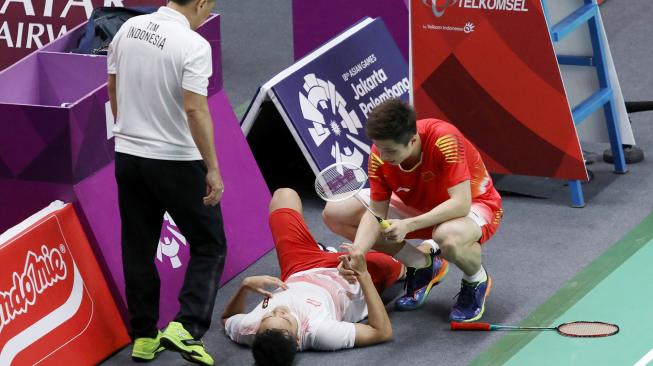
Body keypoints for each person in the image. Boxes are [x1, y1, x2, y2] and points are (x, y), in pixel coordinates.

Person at [107, 0, 225, 364]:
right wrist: (213, 168)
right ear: (201, 3)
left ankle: (143, 337)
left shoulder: (128, 28)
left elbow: (113, 88)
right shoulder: (193, 45)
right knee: (210, 244)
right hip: (174, 159)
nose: (208, 15)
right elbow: (195, 109)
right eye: (211, 7)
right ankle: (187, 327)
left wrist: (130, 133)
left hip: (128, 156)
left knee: (138, 247)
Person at [323, 98, 503, 322]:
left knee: (447, 239)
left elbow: (461, 203)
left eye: (390, 150)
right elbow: (377, 212)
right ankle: (421, 265)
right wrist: (358, 251)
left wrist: (409, 225)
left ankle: (476, 279)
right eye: (379, 147)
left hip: (474, 203)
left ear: (413, 139)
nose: (383, 156)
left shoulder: (444, 139)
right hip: (417, 202)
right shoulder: (380, 154)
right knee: (336, 213)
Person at [222, 188, 420, 366]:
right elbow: (382, 332)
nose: (279, 311)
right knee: (413, 262)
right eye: (286, 319)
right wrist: (363, 274)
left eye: (270, 315)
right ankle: (427, 253)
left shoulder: (248, 329)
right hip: (348, 276)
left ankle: (321, 250)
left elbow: (227, 318)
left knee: (284, 195)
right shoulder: (321, 333)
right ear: (298, 339)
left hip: (298, 266)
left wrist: (245, 286)